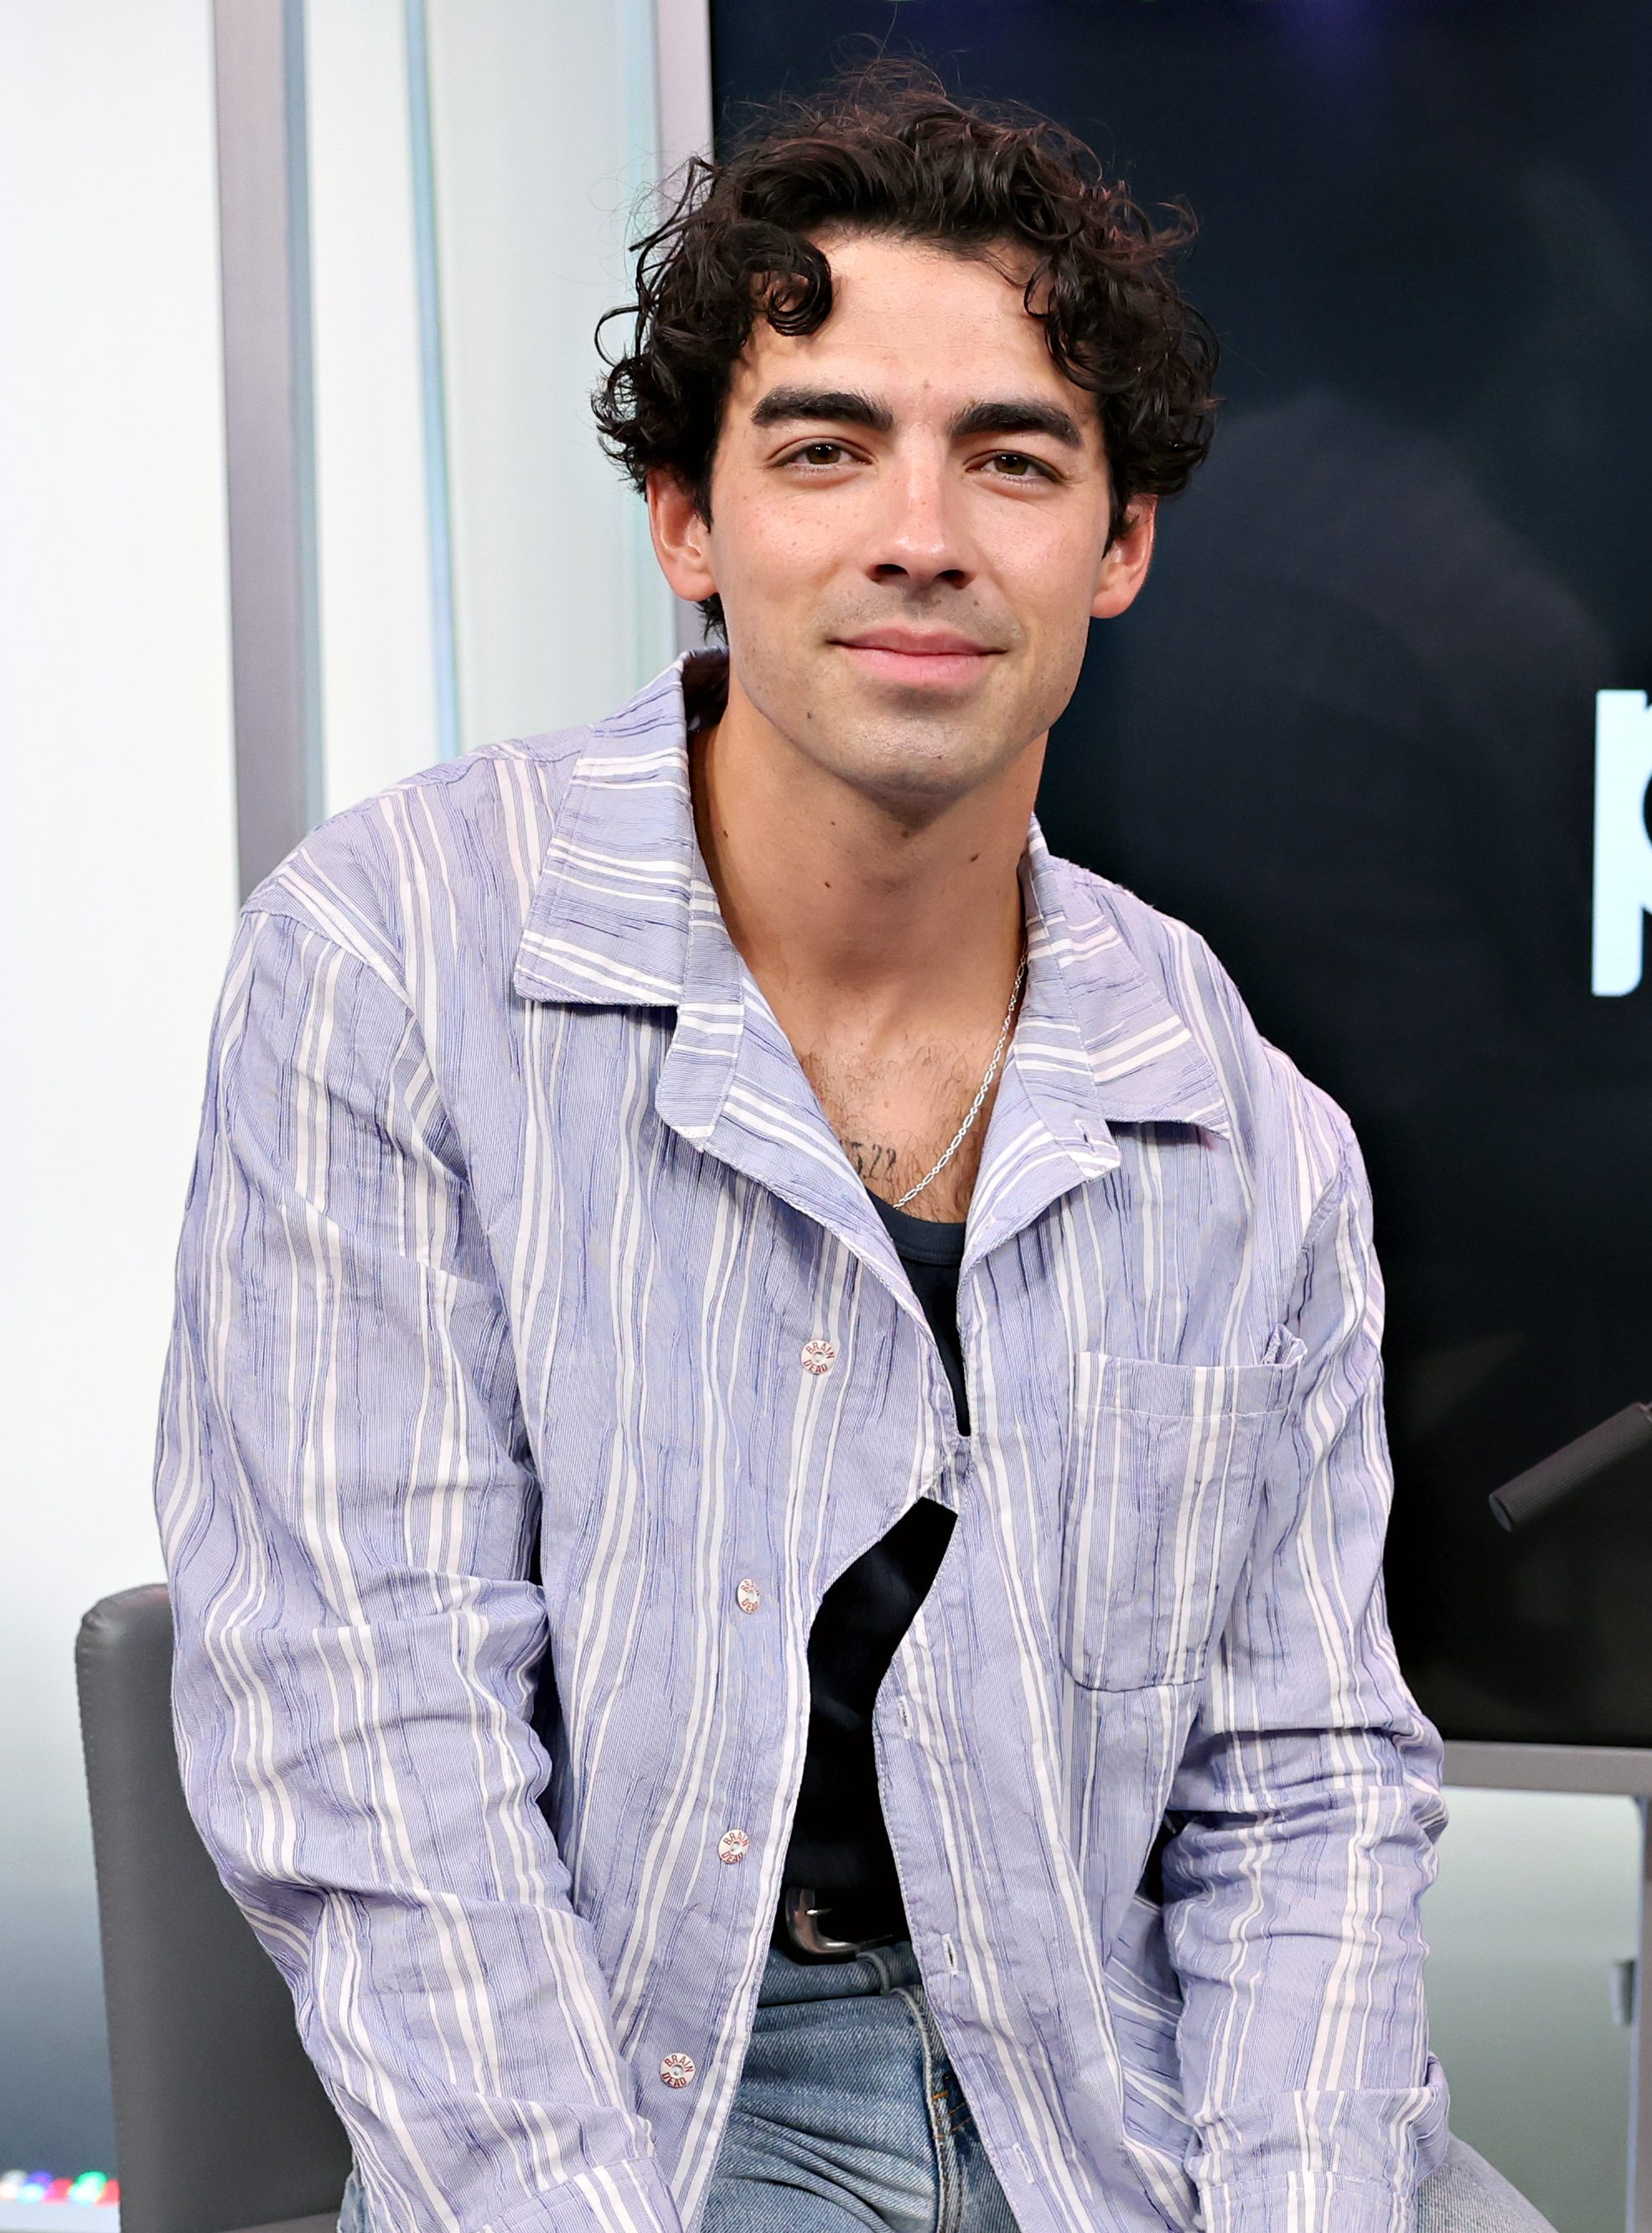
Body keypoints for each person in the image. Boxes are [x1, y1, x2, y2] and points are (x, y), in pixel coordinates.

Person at [157, 70, 1556, 2233]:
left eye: (1014, 458)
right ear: (685, 522)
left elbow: (1302, 1793)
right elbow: (374, 1747)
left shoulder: (1240, 1115)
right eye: (826, 449)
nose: (924, 532)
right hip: (653, 2096)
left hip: (1111, 2072)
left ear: (1120, 545)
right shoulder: (397, 962)